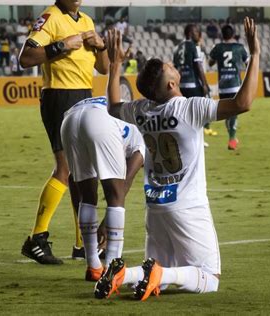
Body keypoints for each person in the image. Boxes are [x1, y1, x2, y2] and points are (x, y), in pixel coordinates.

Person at [95, 16, 260, 301]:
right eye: (171, 67)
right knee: (209, 278)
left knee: (157, 273)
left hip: (156, 205)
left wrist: (114, 64)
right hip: (187, 205)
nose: (174, 65)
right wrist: (255, 54)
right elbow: (242, 103)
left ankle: (125, 274)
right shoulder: (189, 108)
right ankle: (156, 274)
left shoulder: (142, 110)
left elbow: (112, 107)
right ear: (172, 82)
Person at [19, 0, 109, 265]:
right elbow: (26, 57)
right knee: (65, 168)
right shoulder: (50, 17)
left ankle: (83, 244)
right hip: (59, 95)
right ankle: (36, 239)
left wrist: (101, 45)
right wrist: (62, 45)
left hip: (84, 95)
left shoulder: (87, 21)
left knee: (81, 173)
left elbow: (103, 68)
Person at [60, 96, 144, 281]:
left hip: (69, 120)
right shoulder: (143, 137)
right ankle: (113, 267)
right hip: (98, 121)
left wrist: (85, 224)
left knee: (87, 196)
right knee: (115, 193)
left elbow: (73, 182)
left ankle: (94, 267)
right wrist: (105, 224)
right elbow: (124, 184)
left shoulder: (126, 111)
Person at [209, 24, 249, 150]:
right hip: (235, 85)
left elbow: (210, 63)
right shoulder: (239, 47)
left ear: (222, 35)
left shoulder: (218, 48)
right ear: (233, 35)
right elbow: (248, 63)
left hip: (223, 86)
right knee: (234, 112)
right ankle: (232, 138)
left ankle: (232, 136)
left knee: (228, 113)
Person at [173, 24, 217, 137]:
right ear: (189, 33)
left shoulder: (177, 47)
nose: (198, 34)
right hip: (193, 84)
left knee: (184, 114)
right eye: (195, 32)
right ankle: (199, 137)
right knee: (199, 110)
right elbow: (198, 66)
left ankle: (184, 136)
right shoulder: (192, 46)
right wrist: (205, 84)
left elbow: (175, 67)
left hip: (181, 85)